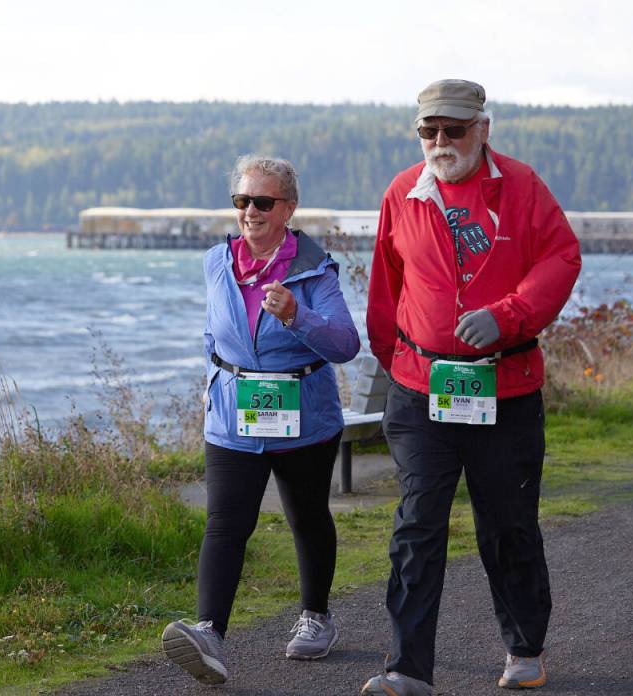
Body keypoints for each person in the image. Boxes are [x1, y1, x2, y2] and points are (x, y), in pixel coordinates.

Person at [361, 80, 581, 696]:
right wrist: (401, 365)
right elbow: (387, 284)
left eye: (453, 129)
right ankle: (407, 669)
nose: (439, 142)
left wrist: (508, 315)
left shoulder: (523, 186)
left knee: (507, 524)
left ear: (483, 130)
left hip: (504, 390)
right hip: (420, 390)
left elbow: (561, 258)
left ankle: (525, 648)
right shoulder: (402, 191)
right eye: (428, 130)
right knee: (416, 526)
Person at [161, 154, 360, 684]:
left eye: (263, 202)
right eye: (242, 200)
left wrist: (297, 315)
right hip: (232, 413)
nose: (250, 211)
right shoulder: (215, 261)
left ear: (288, 208)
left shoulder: (316, 269)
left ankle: (316, 617)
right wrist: (211, 382)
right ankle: (208, 634)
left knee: (307, 515)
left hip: (304, 414)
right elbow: (212, 332)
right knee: (226, 522)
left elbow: (346, 345)